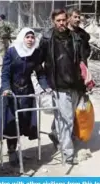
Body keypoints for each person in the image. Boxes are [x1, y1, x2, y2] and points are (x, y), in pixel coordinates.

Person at [0, 28, 48, 165]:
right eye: (27, 37)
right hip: (11, 91)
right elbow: (5, 73)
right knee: (10, 122)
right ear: (22, 38)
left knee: (23, 121)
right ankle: (11, 151)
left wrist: (46, 87)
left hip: (27, 90)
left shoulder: (36, 53)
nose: (30, 40)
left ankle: (16, 149)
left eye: (32, 37)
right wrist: (6, 88)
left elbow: (40, 73)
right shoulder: (12, 52)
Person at [38, 9, 86, 165]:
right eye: (58, 20)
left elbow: (81, 62)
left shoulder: (75, 38)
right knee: (66, 121)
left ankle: (56, 136)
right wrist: (45, 84)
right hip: (57, 86)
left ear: (67, 20)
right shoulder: (46, 38)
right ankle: (68, 153)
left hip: (74, 85)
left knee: (68, 119)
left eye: (64, 20)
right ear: (53, 21)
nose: (61, 23)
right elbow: (38, 64)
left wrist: (83, 84)